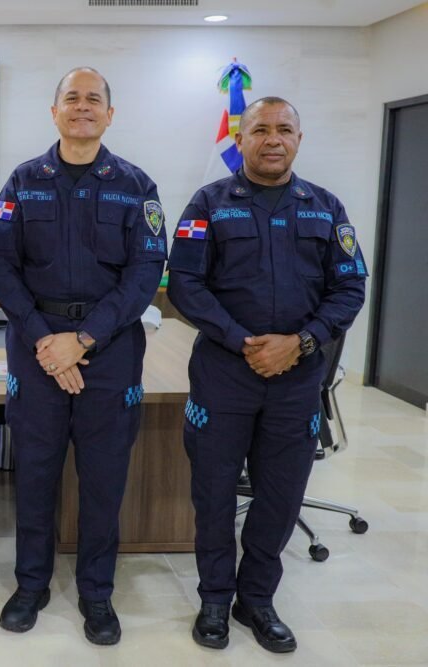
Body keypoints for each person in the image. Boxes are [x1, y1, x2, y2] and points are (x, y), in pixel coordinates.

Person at [167, 97, 366, 653]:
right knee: (212, 491)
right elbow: (184, 284)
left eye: (283, 130)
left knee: (280, 494)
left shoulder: (325, 207)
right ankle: (213, 597)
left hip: (298, 377)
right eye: (260, 129)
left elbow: (350, 287)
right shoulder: (209, 202)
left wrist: (299, 343)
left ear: (299, 139)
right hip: (223, 373)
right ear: (242, 138)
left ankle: (256, 599)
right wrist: (242, 341)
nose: (272, 139)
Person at [0, 68, 167, 646]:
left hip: (108, 351)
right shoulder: (23, 181)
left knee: (104, 479)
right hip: (36, 349)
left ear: (110, 115)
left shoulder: (137, 185)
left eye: (94, 100)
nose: (82, 107)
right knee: (34, 475)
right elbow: (1, 265)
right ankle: (31, 584)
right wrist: (44, 339)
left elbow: (146, 274)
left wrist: (82, 340)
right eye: (72, 98)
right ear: (54, 111)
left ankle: (96, 593)